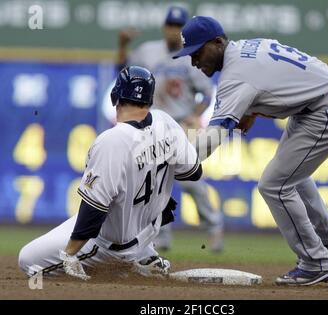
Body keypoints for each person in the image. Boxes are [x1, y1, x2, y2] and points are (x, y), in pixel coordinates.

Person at [173, 16, 328, 286]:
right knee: (288, 174)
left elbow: (215, 137)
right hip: (324, 102)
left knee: (274, 184)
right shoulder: (246, 49)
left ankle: (315, 263)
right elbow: (272, 80)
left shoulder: (235, 74)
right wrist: (252, 109)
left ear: (217, 42)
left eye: (196, 52)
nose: (193, 61)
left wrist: (177, 164)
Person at [18, 66, 202, 280]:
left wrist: (70, 254)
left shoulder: (112, 141)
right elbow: (193, 172)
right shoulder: (166, 122)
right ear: (150, 100)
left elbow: (93, 211)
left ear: (115, 96)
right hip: (147, 231)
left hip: (111, 245)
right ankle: (144, 256)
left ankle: (121, 268)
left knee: (28, 261)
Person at [117, 6, 224, 252]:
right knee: (153, 183)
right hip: (152, 126)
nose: (173, 31)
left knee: (191, 181)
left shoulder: (191, 56)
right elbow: (123, 73)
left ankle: (214, 228)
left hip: (180, 125)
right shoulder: (147, 51)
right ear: (165, 27)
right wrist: (122, 45)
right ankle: (160, 237)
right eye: (170, 25)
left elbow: (207, 95)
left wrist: (194, 116)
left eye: (178, 26)